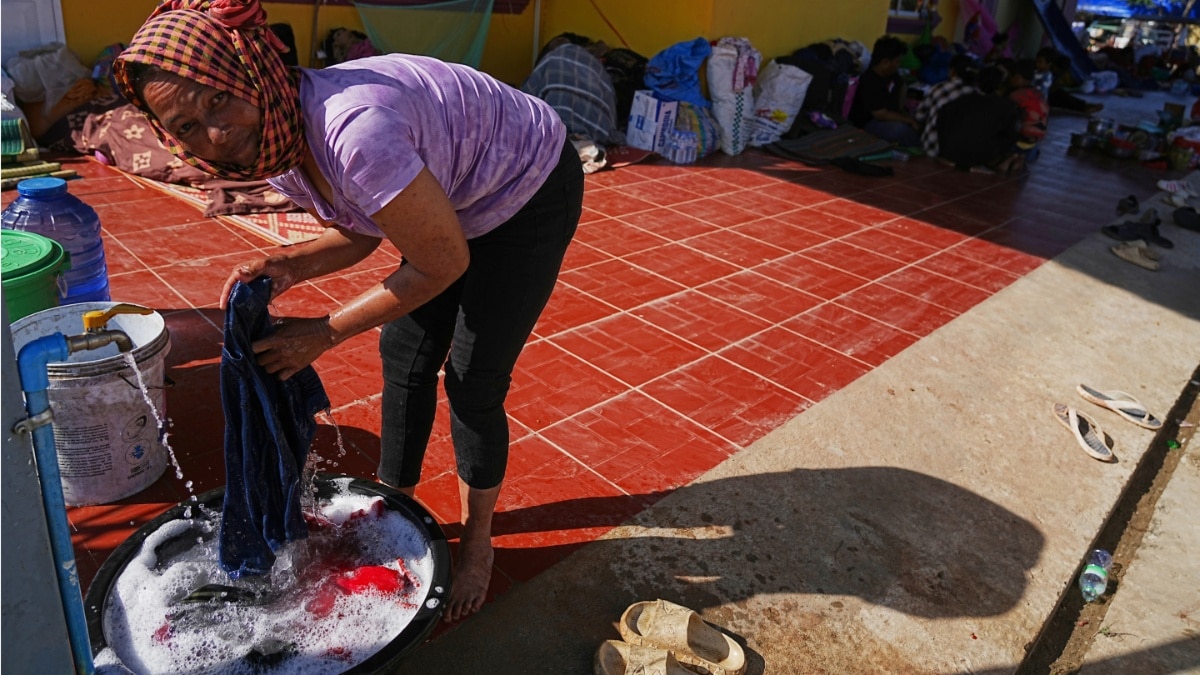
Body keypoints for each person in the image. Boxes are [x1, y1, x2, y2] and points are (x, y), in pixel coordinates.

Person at [113, 0, 583, 622]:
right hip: (450, 199)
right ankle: (395, 505)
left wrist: (325, 332)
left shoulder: (353, 130)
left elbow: (441, 262)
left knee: (472, 381)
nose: (216, 135)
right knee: (404, 355)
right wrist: (293, 264)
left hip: (526, 186)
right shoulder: (272, 144)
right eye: (189, 126)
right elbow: (361, 224)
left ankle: (476, 545)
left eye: (217, 101)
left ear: (250, 72)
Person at [848, 35, 921, 148]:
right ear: (885, 62)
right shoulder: (870, 81)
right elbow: (880, 114)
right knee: (900, 129)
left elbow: (899, 100)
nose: (899, 65)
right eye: (897, 62)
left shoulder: (892, 77)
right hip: (868, 124)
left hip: (888, 118)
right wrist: (908, 120)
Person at [913, 54, 977, 159]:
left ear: (952, 70)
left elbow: (919, 116)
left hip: (931, 148)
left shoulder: (938, 88)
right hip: (959, 154)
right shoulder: (975, 93)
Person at [1007, 59, 1049, 168]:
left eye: (1010, 78)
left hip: (1015, 142)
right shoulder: (1040, 95)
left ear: (1018, 78)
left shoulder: (1015, 95)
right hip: (1033, 144)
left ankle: (1012, 155)